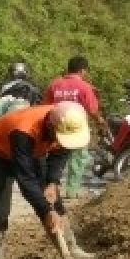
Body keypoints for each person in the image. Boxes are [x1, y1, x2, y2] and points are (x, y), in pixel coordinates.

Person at [0, 102, 96, 259]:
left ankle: (70, 249)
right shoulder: (24, 130)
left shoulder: (67, 121)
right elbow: (26, 180)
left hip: (33, 150)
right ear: (51, 127)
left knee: (54, 201)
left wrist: (52, 181)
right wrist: (45, 211)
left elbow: (61, 152)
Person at [43, 56, 102, 199]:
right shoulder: (85, 87)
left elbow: (44, 107)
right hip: (77, 129)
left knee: (55, 157)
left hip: (57, 128)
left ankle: (50, 187)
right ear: (82, 71)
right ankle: (71, 190)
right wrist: (100, 121)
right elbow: (92, 110)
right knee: (79, 157)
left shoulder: (54, 85)